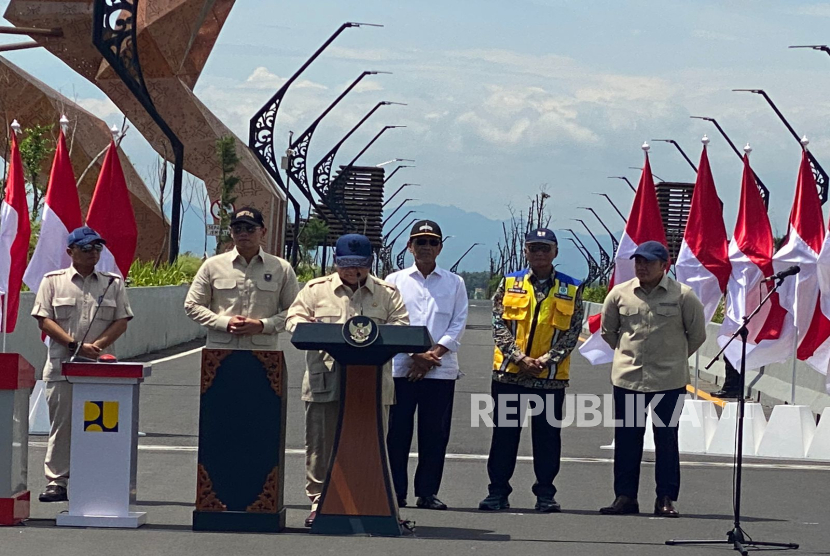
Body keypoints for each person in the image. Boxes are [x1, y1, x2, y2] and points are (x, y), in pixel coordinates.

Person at [285, 233, 409, 528]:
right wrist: (309, 326)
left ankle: (374, 501)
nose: (354, 271)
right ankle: (319, 501)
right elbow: (292, 320)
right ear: (336, 262)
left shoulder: (387, 293)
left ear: (370, 263)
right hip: (325, 380)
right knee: (321, 446)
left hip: (372, 385)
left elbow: (403, 326)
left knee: (373, 445)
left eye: (360, 264)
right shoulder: (315, 290)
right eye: (347, 264)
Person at [478, 228, 583, 513]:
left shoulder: (571, 287)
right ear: (525, 251)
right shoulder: (510, 282)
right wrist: (520, 358)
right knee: (504, 437)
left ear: (555, 252)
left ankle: (545, 494)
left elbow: (573, 332)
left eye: (545, 248)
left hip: (549, 379)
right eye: (534, 248)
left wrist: (546, 360)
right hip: (510, 375)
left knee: (547, 439)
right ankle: (497, 492)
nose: (539, 253)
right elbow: (498, 324)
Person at [599, 241, 706, 517]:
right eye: (638, 261)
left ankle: (665, 498)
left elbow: (697, 335)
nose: (641, 267)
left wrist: (672, 358)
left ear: (664, 265)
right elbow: (609, 332)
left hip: (669, 382)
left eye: (648, 262)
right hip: (629, 380)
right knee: (627, 440)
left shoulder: (683, 295)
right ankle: (625, 497)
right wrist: (629, 356)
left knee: (666, 440)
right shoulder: (619, 294)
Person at [31, 226, 133, 502]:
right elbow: (44, 320)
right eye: (86, 248)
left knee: (101, 425)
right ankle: (57, 481)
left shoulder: (112, 283)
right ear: (70, 251)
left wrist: (95, 348)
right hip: (62, 366)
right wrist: (75, 346)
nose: (93, 253)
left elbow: (121, 320)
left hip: (100, 369)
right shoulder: (53, 281)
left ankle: (98, 478)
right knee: (62, 426)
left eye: (97, 248)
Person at [384, 220, 469, 511]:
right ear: (410, 246)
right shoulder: (394, 280)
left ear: (440, 248)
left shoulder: (455, 283)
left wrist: (433, 354)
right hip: (402, 367)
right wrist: (414, 353)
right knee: (397, 433)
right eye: (420, 242)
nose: (426, 247)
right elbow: (390, 321)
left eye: (432, 242)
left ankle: (428, 492)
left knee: (435, 435)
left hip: (440, 369)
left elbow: (458, 323)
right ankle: (395, 491)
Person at [184, 207, 299, 349]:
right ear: (231, 232)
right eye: (237, 229)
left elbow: (295, 311)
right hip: (219, 352)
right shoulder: (212, 266)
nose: (243, 233)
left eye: (250, 229)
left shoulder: (281, 268)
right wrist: (224, 323)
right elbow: (192, 305)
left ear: (263, 232)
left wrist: (263, 325)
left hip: (264, 352)